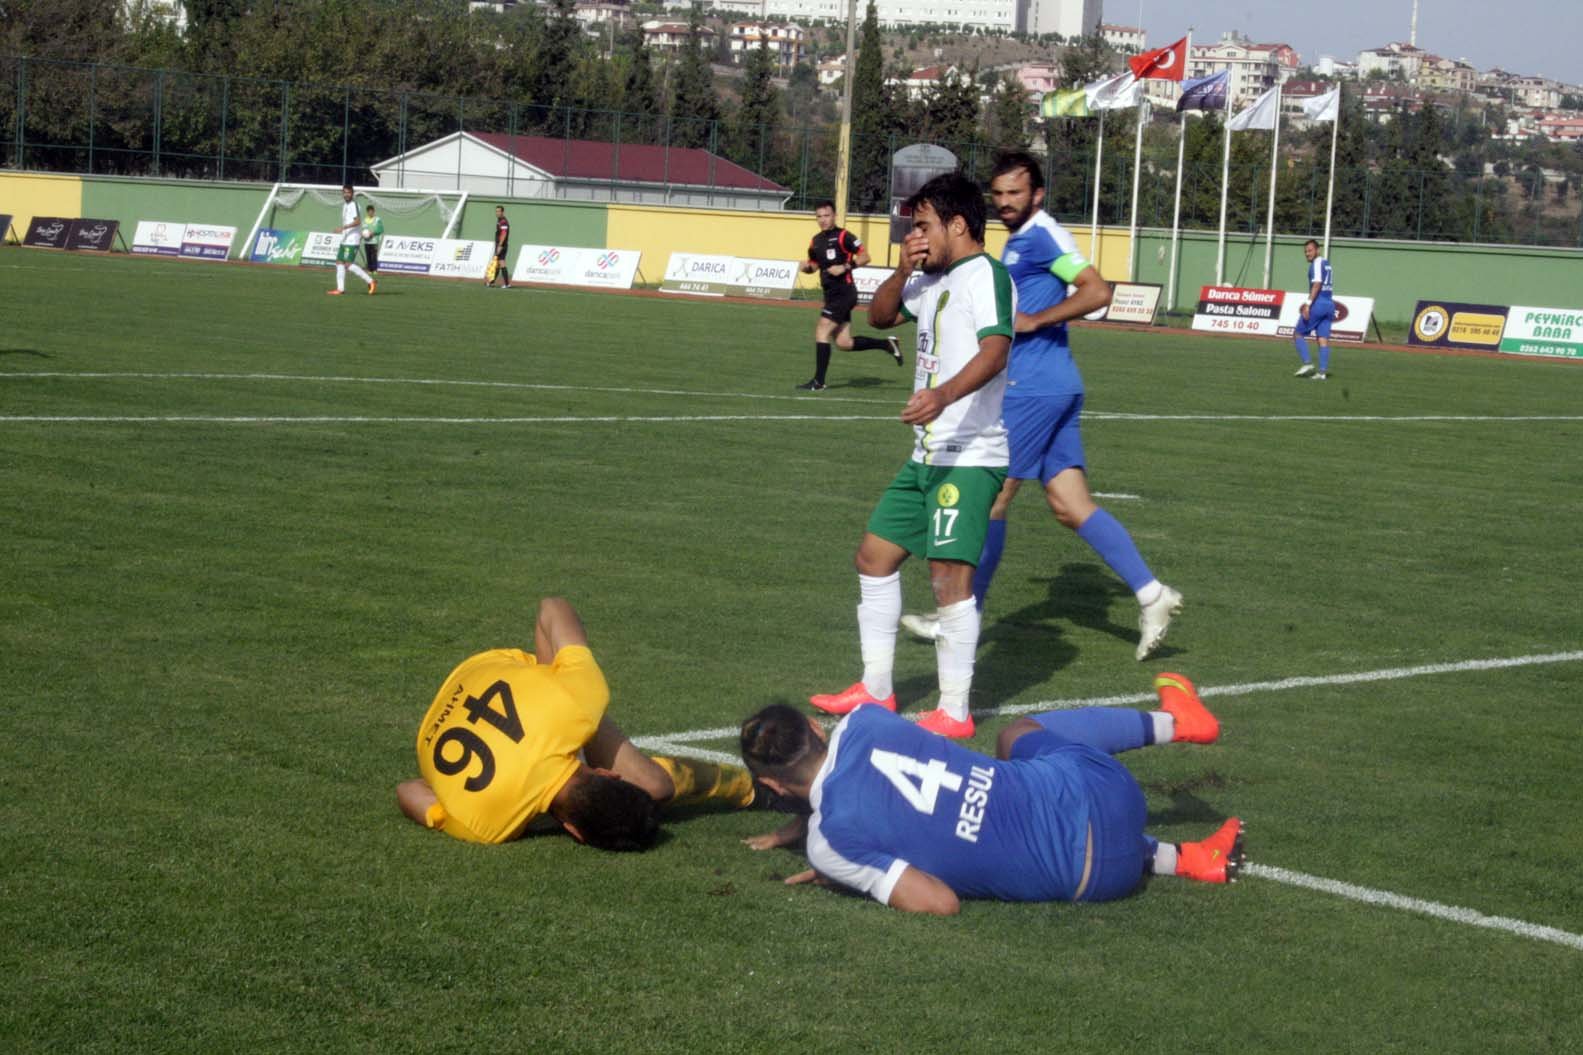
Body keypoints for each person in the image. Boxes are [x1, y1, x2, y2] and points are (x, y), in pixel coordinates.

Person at [899, 152, 1181, 663]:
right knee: (1070, 506)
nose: (1005, 202)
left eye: (1015, 193)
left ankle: (959, 615)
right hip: (1056, 384)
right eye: (998, 193)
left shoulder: (1042, 236)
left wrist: (1035, 320)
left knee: (991, 497)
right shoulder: (1024, 239)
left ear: (1038, 195)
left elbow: (1096, 290)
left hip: (1033, 386)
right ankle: (1152, 594)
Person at [740, 673, 1244, 915]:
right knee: (1014, 739)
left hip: (1098, 881)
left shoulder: (831, 842)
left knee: (1024, 830)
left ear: (771, 785)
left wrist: (842, 874)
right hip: (1114, 796)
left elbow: (939, 902)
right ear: (813, 726)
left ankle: (1185, 855)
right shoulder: (866, 718)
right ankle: (1173, 726)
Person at [807, 172, 1013, 740]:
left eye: (923, 226)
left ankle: (955, 710)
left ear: (957, 224)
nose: (916, 235)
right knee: (873, 557)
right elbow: (877, 318)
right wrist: (902, 268)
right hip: (926, 454)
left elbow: (996, 351)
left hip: (968, 457)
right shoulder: (932, 278)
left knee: (948, 579)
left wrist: (943, 393)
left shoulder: (986, 276)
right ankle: (875, 690)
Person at [396, 597, 759, 850]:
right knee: (654, 783)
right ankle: (752, 788)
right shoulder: (487, 826)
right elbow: (408, 789)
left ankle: (752, 788)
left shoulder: (576, 703)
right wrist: (436, 809)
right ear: (572, 830)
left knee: (651, 783)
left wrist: (565, 702)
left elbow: (552, 607)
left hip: (482, 674)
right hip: (435, 727)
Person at [796, 200, 902, 391]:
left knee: (821, 331)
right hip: (831, 295)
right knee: (844, 343)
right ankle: (887, 344)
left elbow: (865, 256)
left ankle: (819, 382)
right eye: (819, 216)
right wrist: (806, 268)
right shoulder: (816, 241)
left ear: (834, 215)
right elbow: (814, 265)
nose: (822, 220)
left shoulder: (844, 236)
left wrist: (846, 266)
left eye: (826, 215)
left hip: (844, 293)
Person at [1293, 239, 1334, 380]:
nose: (1307, 253)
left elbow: (1317, 284)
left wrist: (1308, 304)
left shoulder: (1317, 263)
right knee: (1322, 339)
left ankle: (1307, 363)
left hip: (1319, 304)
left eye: (1310, 250)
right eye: (1305, 251)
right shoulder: (1326, 263)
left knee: (1298, 333)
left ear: (1318, 250)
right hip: (1329, 304)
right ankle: (1322, 373)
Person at [328, 184, 375, 296]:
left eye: (348, 192)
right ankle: (340, 289)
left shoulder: (354, 205)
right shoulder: (345, 205)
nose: (346, 194)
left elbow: (358, 221)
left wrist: (342, 228)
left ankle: (371, 281)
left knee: (348, 264)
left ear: (352, 193)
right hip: (345, 238)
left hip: (352, 239)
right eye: (344, 192)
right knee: (339, 262)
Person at [486, 205, 512, 289]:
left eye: (498, 211)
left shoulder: (503, 221)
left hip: (502, 246)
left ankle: (507, 284)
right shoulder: (499, 220)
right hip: (500, 245)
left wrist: (500, 245)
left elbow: (504, 234)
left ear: (502, 212)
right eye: (496, 211)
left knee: (501, 263)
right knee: (497, 263)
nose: (497, 213)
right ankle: (491, 282)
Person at [361, 203, 384, 276]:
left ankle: (375, 270)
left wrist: (372, 233)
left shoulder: (377, 219)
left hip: (374, 241)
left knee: (374, 256)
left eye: (372, 211)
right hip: (366, 241)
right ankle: (370, 269)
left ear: (374, 211)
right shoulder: (364, 220)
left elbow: (380, 229)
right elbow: (363, 230)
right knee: (368, 255)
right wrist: (363, 234)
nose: (370, 213)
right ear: (367, 212)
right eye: (369, 211)